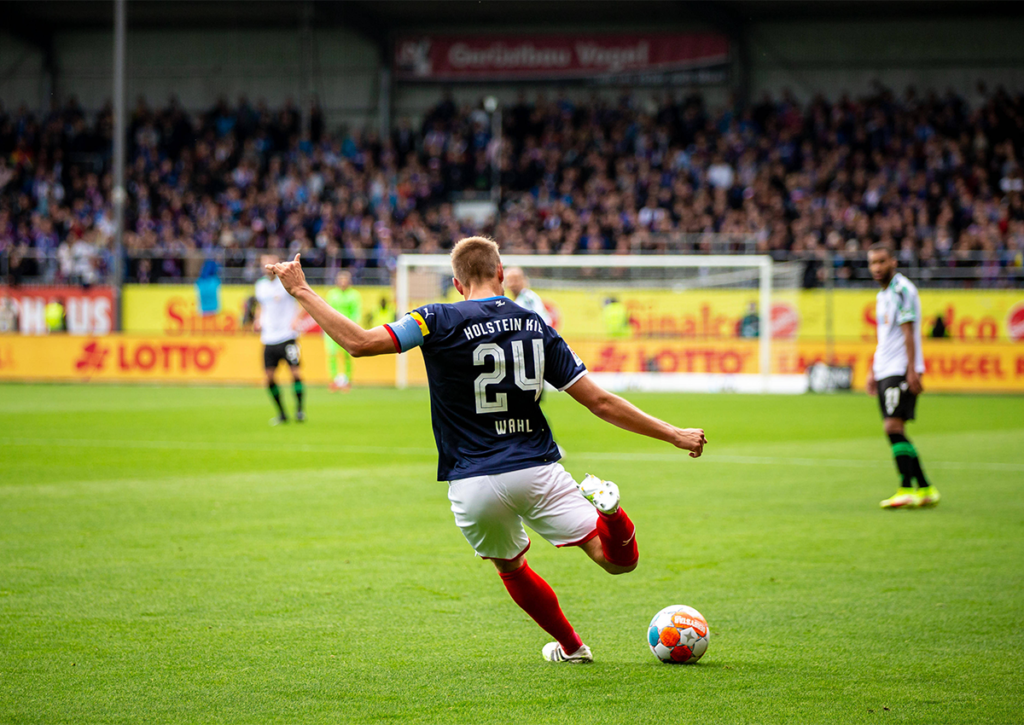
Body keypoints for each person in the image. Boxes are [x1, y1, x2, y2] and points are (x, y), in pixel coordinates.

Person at [265, 237, 707, 663]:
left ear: (457, 284)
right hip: (536, 468)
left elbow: (359, 344)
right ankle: (611, 513)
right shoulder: (536, 325)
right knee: (614, 562)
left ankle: (572, 648)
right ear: (500, 272)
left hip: (472, 480)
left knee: (511, 568)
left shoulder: (433, 319)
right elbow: (601, 402)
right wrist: (675, 434)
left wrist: (301, 288)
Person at [865, 244, 939, 509]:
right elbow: (884, 337)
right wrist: (872, 370)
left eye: (881, 261)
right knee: (896, 429)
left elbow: (909, 333)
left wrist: (912, 369)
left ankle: (906, 487)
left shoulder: (902, 290)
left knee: (892, 427)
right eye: (872, 262)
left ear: (893, 262)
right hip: (885, 368)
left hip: (899, 368)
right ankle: (926, 488)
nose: (876, 267)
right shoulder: (882, 295)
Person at [255, 254, 305, 425]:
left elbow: (302, 300)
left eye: (269, 263)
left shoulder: (285, 282)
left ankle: (299, 411)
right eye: (263, 264)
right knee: (269, 378)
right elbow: (261, 306)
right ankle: (282, 413)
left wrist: (296, 320)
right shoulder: (260, 286)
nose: (266, 267)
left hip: (287, 336)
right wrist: (257, 320)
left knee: (295, 373)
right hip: (268, 338)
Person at [325, 271, 362, 391]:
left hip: (347, 330)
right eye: (340, 279)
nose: (342, 282)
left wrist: (353, 327)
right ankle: (334, 380)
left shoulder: (354, 295)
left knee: (348, 355)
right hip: (332, 330)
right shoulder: (331, 294)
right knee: (332, 355)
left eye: (345, 279)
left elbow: (356, 312)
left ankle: (348, 381)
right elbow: (326, 311)